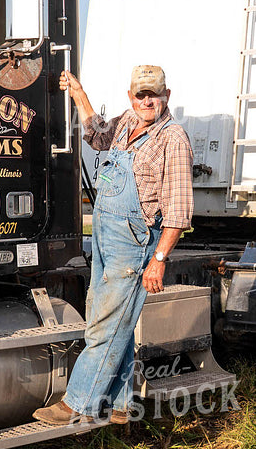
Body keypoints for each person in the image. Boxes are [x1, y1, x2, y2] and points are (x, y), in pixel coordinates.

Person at [33, 64, 194, 425]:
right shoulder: (125, 122)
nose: (147, 101)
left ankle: (78, 403)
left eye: (154, 95)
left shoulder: (172, 139)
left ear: (167, 96)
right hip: (105, 235)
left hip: (134, 242)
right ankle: (120, 403)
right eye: (141, 95)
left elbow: (179, 212)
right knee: (112, 317)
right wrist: (79, 94)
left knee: (105, 324)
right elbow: (96, 135)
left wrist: (158, 260)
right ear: (131, 96)